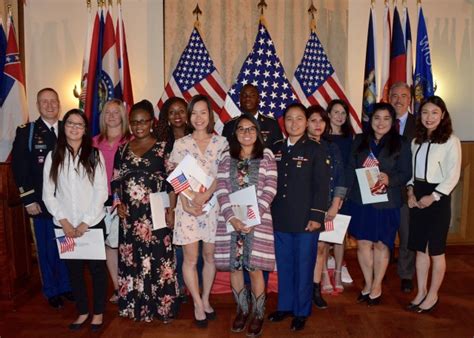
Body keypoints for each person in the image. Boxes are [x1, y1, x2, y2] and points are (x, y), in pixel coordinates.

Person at [112, 99, 178, 322]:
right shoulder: (121, 150)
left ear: (151, 122)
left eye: (143, 121)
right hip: (130, 218)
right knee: (134, 261)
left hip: (157, 215)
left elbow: (175, 182)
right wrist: (118, 203)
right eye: (134, 122)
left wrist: (172, 210)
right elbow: (115, 182)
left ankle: (162, 307)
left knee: (159, 259)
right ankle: (137, 306)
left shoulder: (164, 147)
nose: (138, 125)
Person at [42, 109, 108, 331]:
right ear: (64, 126)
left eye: (79, 124)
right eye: (70, 123)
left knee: (98, 271)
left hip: (92, 224)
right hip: (65, 227)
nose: (74, 127)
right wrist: (64, 222)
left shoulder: (94, 155)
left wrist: (85, 222)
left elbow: (101, 192)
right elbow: (48, 193)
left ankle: (98, 313)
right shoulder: (54, 155)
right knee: (74, 271)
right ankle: (82, 312)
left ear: (85, 130)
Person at [268, 103, 330, 331]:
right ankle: (285, 306)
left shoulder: (315, 149)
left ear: (306, 123)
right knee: (284, 265)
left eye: (299, 119)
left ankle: (302, 311)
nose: (294, 123)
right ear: (284, 122)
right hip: (280, 217)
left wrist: (316, 216)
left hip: (306, 219)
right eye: (289, 119)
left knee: (304, 266)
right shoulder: (275, 148)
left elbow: (322, 187)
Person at [168, 94, 228, 328]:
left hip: (212, 208)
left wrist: (205, 195)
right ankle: (196, 303)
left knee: (209, 256)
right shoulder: (181, 143)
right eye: (194, 113)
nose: (199, 117)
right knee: (190, 259)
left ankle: (205, 298)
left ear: (210, 115)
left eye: (203, 112)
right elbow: (175, 176)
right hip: (188, 208)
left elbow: (222, 174)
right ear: (189, 117)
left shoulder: (221, 142)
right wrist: (187, 199)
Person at [215, 114, 277, 336]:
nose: (247, 132)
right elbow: (221, 189)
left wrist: (252, 217)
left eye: (251, 129)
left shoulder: (267, 155)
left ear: (258, 132)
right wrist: (232, 218)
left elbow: (270, 188)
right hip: (231, 221)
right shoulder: (225, 157)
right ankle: (242, 310)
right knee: (235, 266)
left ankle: (258, 313)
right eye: (242, 129)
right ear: (235, 133)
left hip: (257, 222)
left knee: (254, 267)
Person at [11, 88, 72, 309]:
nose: (49, 105)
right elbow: (20, 167)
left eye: (53, 101)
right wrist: (28, 199)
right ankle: (52, 290)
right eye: (44, 102)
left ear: (59, 104)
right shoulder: (28, 131)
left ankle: (67, 286)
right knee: (46, 248)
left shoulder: (69, 128)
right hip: (42, 204)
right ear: (38, 106)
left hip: (67, 204)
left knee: (67, 246)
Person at [345, 103, 411, 306]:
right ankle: (367, 283)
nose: (381, 122)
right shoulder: (358, 140)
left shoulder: (401, 143)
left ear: (392, 122)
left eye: (386, 118)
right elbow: (350, 169)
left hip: (387, 202)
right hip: (361, 200)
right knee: (364, 243)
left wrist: (390, 179)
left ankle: (377, 286)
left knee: (382, 244)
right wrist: (342, 196)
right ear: (370, 120)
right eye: (377, 118)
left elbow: (406, 172)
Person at [406, 96, 461, 313]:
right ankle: (420, 292)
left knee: (435, 250)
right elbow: (412, 174)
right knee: (420, 249)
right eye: (425, 112)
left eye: (434, 113)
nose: (429, 117)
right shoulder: (416, 141)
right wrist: (410, 191)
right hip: (418, 196)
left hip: (437, 198)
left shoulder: (451, 141)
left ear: (443, 115)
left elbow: (453, 175)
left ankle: (433, 294)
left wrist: (434, 196)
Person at [306, 105, 346, 309]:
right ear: (305, 123)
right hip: (301, 209)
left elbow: (340, 178)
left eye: (321, 120)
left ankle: (315, 289)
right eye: (313, 120)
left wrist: (335, 205)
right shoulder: (298, 145)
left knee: (321, 249)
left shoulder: (332, 148)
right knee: (304, 250)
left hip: (326, 208)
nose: (317, 124)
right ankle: (300, 290)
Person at [156, 97, 193, 302]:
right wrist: (173, 205)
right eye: (172, 112)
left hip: (196, 199)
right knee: (173, 246)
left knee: (192, 246)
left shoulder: (197, 137)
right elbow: (166, 175)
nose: (177, 116)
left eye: (181, 111)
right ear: (166, 117)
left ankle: (192, 285)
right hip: (169, 200)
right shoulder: (161, 143)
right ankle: (177, 285)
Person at [92, 99, 130, 304]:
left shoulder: (131, 140)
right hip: (100, 203)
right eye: (108, 112)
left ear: (123, 116)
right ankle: (118, 288)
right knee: (109, 246)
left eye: (117, 112)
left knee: (127, 246)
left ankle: (132, 286)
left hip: (125, 203)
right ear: (103, 117)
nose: (112, 116)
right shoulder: (93, 142)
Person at [389, 82, 417, 293]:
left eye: (403, 96)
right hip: (384, 188)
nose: (398, 100)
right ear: (389, 98)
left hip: (409, 189)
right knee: (383, 231)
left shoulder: (420, 125)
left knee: (407, 235)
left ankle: (406, 274)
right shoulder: (381, 121)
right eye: (394, 95)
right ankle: (383, 263)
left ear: (410, 100)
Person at [326, 99, 354, 291]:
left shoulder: (351, 139)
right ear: (328, 114)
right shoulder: (321, 137)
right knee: (324, 235)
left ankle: (337, 272)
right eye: (336, 112)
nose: (339, 116)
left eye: (343, 113)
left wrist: (343, 195)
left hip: (344, 193)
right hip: (324, 192)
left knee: (339, 235)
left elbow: (351, 168)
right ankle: (324, 271)